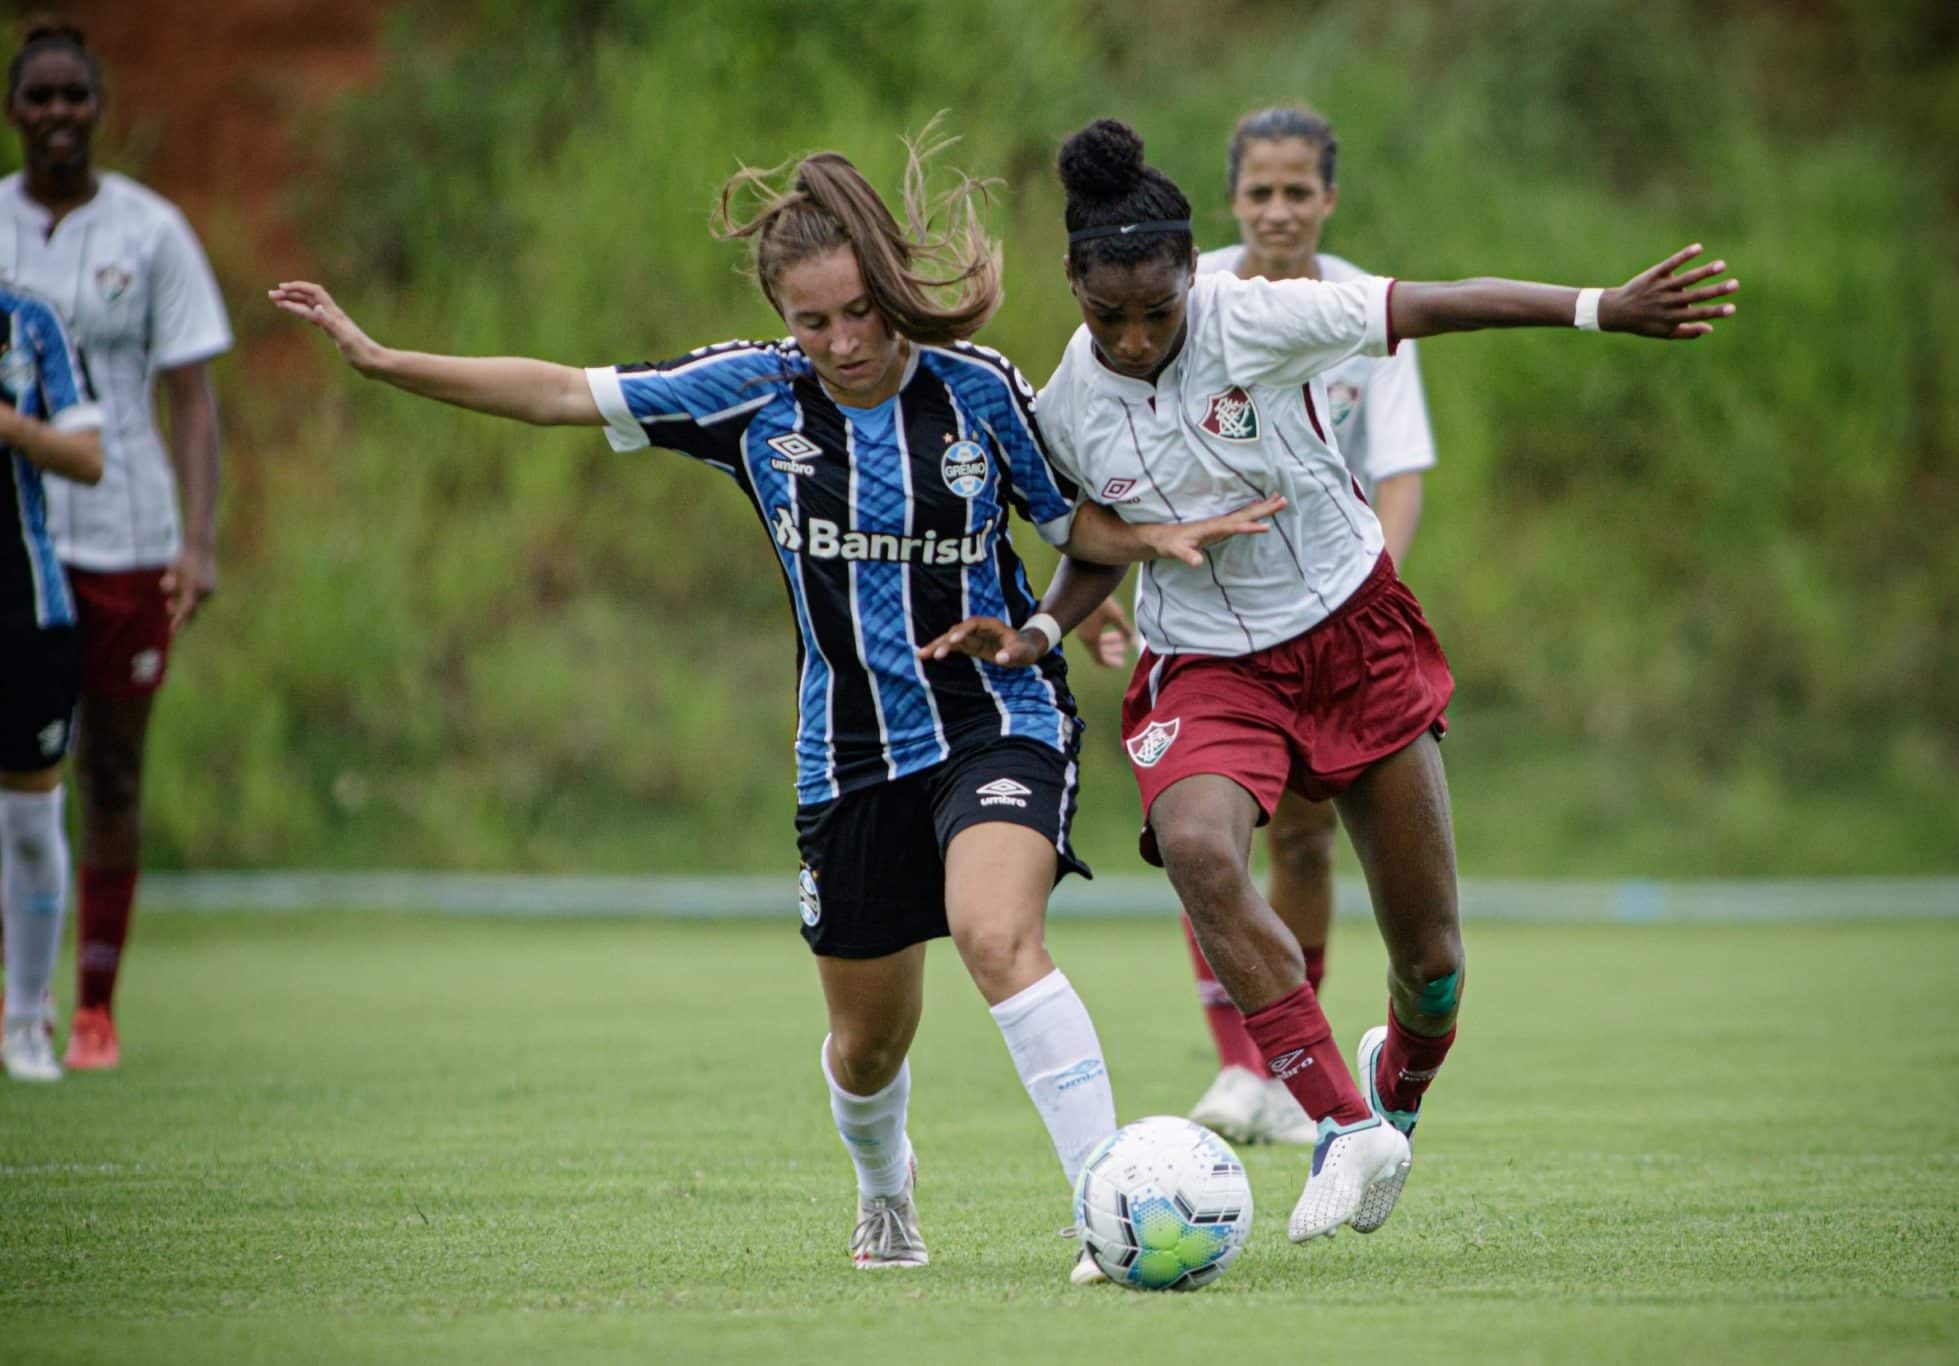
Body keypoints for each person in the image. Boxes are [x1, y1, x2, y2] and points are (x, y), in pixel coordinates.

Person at [273, 135, 1277, 1278]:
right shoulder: (751, 393)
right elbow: (559, 391)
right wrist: (381, 358)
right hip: (845, 756)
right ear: (781, 319)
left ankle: (1106, 1214)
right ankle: (884, 1189)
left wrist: (1130, 556)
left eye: (862, 311)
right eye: (816, 322)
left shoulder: (980, 391)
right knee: (864, 1043)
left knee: (997, 935)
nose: (844, 343)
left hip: (996, 719)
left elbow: (1068, 519)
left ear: (894, 289)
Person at [925, 118, 1736, 1246]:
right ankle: (1342, 1123)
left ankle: (1391, 1093)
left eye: (1157, 309)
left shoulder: (1252, 314)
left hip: (1347, 630)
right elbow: (1096, 541)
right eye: (1107, 313)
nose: (1136, 334)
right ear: (1071, 283)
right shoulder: (1066, 399)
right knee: (1200, 847)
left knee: (1433, 964)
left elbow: (1436, 304)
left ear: (1187, 277)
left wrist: (1601, 306)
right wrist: (1037, 628)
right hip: (1203, 661)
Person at [1178, 106, 1443, 1146]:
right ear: (1232, 198)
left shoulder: (1359, 307)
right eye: (1259, 191)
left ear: (1327, 198)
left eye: (1298, 191)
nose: (1278, 209)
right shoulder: (1183, 293)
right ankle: (1242, 1067)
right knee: (1208, 838)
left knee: (1303, 837)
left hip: (1327, 626)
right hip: (1207, 618)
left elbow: (1400, 473)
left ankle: (1290, 1076)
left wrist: (1360, 591)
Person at [0, 21, 234, 1071]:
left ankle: (93, 999)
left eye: (73, 96)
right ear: (16, 111)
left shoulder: (153, 232)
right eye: (38, 97)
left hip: (128, 536)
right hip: (15, 541)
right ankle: (21, 997)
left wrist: (200, 539)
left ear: (98, 107)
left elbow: (192, 396)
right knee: (19, 775)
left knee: (113, 771)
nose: (57, 114)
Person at [0, 277, 105, 1082]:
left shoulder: (29, 320)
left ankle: (26, 1020)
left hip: (25, 606)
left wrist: (12, 429)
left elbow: (88, 455)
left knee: (32, 824)